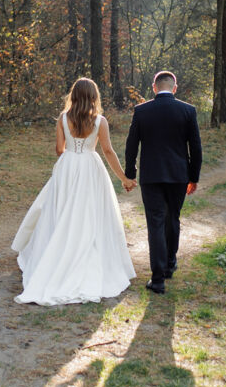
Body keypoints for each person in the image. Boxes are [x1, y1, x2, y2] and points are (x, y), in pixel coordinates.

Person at [11, 78, 137, 305]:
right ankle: (85, 250)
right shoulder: (100, 121)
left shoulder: (62, 118)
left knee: (60, 210)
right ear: (93, 97)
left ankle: (56, 252)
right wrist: (124, 178)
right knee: (89, 212)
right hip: (90, 166)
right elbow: (108, 150)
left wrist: (71, 156)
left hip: (67, 167)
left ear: (74, 95)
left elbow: (59, 149)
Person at [124, 70, 202, 294]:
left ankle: (158, 279)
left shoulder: (142, 111)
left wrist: (131, 172)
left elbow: (132, 145)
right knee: (173, 218)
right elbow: (195, 148)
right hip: (179, 176)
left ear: (154, 87)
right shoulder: (187, 111)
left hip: (151, 176)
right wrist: (193, 177)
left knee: (156, 223)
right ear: (174, 88)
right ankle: (169, 264)